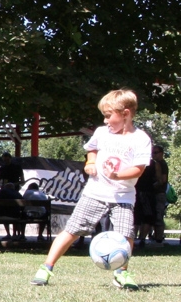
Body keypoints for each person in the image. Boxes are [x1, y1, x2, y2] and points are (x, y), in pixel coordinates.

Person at [31, 89, 151, 290]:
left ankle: (122, 274)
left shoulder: (140, 139)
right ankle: (46, 268)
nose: (105, 121)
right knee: (72, 230)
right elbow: (92, 150)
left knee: (125, 236)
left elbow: (138, 169)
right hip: (95, 193)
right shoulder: (101, 133)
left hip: (123, 196)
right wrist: (91, 163)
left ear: (126, 114)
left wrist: (117, 176)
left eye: (108, 116)